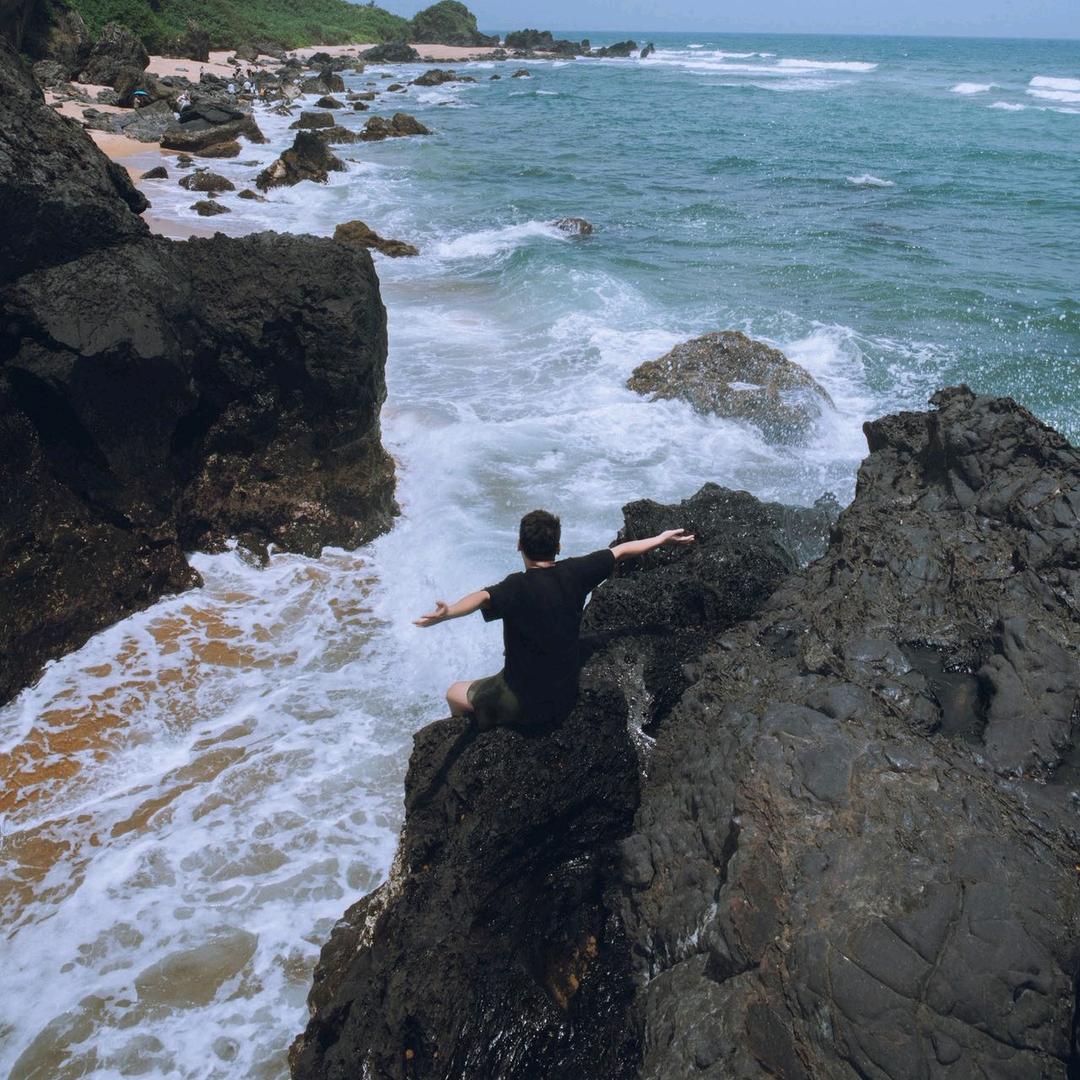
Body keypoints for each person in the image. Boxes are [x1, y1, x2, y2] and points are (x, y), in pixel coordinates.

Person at [414, 509, 694, 729]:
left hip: (522, 704)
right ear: (558, 546)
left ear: (519, 545)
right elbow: (620, 551)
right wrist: (661, 538)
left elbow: (482, 598)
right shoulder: (576, 572)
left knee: (454, 692)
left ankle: (477, 731)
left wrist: (448, 612)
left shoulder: (515, 587)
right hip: (563, 696)